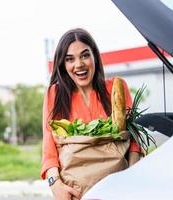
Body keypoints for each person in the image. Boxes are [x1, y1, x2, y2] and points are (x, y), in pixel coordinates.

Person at [41, 28, 142, 200]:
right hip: (76, 194)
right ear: (63, 65)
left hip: (117, 191)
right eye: (70, 59)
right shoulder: (55, 95)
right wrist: (56, 185)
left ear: (95, 56)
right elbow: (49, 151)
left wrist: (129, 181)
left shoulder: (115, 88)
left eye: (85, 55)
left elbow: (134, 142)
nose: (79, 64)